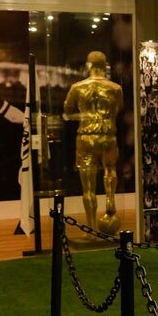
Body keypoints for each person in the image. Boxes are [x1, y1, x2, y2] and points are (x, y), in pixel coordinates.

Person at [64, 51, 124, 233]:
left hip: (86, 137)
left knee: (88, 188)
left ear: (88, 66)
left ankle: (91, 228)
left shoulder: (77, 87)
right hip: (108, 136)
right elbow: (118, 109)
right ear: (105, 66)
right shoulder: (115, 88)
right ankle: (110, 199)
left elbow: (67, 111)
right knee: (110, 170)